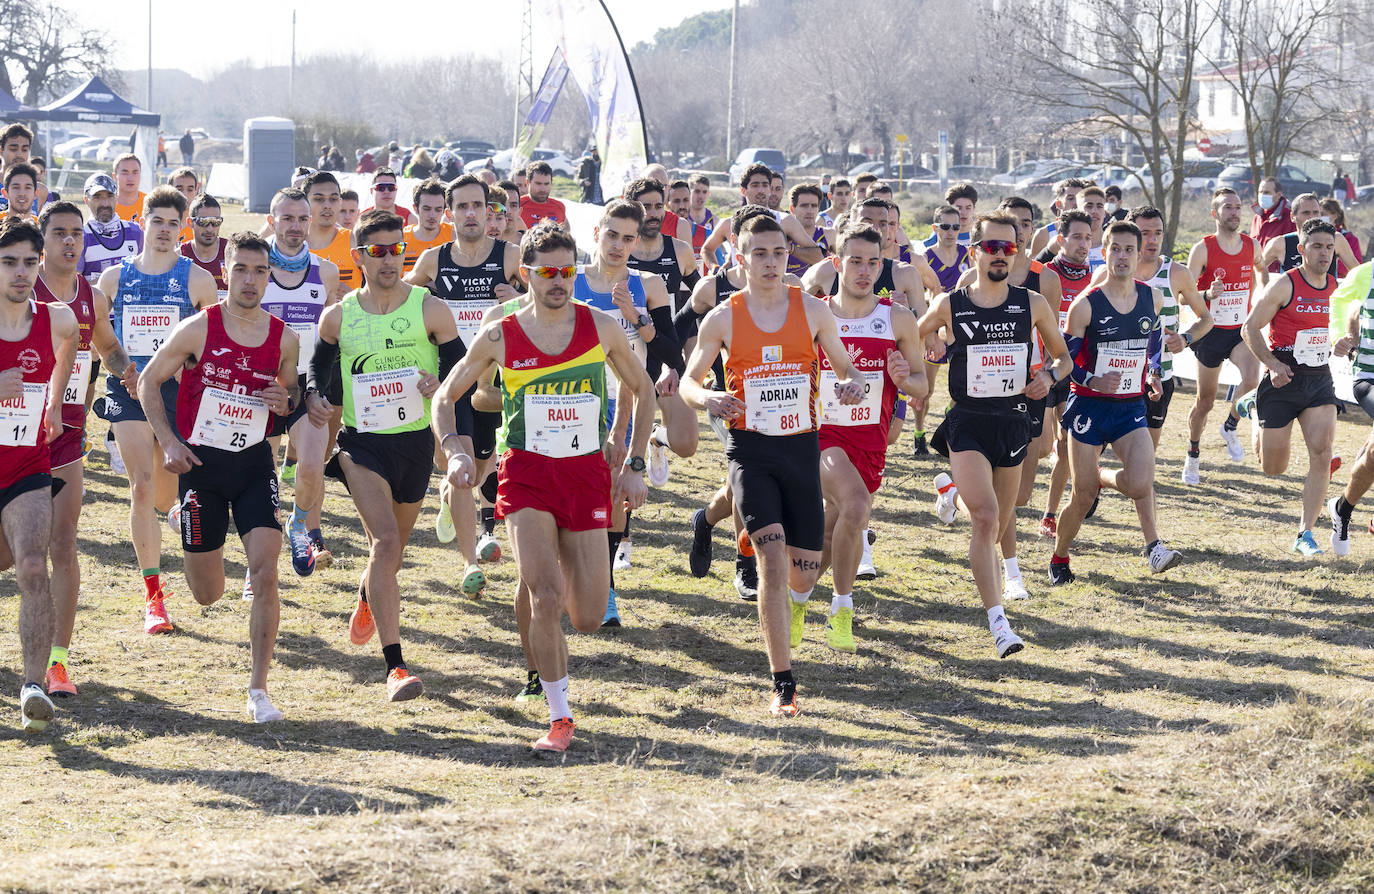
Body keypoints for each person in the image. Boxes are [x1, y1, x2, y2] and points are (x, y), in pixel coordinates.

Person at [431, 222, 656, 751]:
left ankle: (543, 586)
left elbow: (643, 389)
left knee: (588, 616)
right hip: (527, 473)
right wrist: (456, 450)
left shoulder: (600, 327)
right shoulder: (500, 333)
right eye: (548, 272)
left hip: (585, 474)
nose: (559, 281)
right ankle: (559, 716)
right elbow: (445, 396)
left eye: (567, 271)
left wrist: (634, 462)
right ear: (527, 274)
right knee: (546, 595)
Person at [681, 213, 867, 717]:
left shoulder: (812, 310)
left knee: (802, 576)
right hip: (751, 452)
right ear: (740, 259)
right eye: (759, 254)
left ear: (788, 257)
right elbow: (689, 381)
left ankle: (785, 592)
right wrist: (708, 397)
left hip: (802, 450)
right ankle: (783, 682)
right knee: (771, 559)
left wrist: (850, 384)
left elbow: (846, 368)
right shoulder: (723, 317)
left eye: (778, 253)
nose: (770, 262)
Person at [304, 209, 467, 702]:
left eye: (398, 249)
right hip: (362, 445)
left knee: (391, 554)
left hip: (415, 443)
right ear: (359, 256)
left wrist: (441, 385)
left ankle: (367, 593)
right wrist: (313, 397)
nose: (390, 259)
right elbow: (317, 370)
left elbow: (463, 369)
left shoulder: (430, 309)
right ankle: (396, 666)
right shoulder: (338, 317)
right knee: (386, 541)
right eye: (378, 251)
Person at [136, 231, 298, 721]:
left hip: (253, 465)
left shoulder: (284, 338)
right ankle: (184, 518)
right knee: (208, 594)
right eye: (241, 269)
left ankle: (259, 690)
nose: (250, 280)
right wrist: (169, 442)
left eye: (260, 271)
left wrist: (285, 400)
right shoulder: (198, 328)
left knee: (266, 572)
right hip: (201, 469)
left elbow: (289, 395)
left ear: (270, 276)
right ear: (225, 272)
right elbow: (148, 381)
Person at [919, 211, 1069, 655]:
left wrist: (1049, 378)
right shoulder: (950, 304)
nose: (1001, 254)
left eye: (1009, 246)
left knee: (1001, 520)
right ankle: (999, 622)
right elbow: (913, 336)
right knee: (985, 519)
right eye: (992, 246)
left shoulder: (1032, 303)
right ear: (975, 253)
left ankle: (950, 494)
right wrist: (929, 347)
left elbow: (1063, 358)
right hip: (968, 421)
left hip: (1014, 421)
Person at [93, 187, 219, 635]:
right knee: (141, 487)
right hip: (128, 390)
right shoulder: (113, 279)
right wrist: (125, 371)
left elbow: (212, 343)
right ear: (142, 222)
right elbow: (103, 339)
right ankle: (154, 597)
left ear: (182, 227)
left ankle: (173, 511)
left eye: (172, 223)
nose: (164, 230)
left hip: (175, 397)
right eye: (157, 221)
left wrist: (188, 370)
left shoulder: (197, 280)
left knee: (165, 496)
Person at [1049, 220, 1186, 584]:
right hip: (1089, 409)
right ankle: (1060, 556)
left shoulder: (1152, 297)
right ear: (1104, 252)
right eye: (1115, 249)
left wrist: (1153, 372)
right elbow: (1066, 361)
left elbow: (1152, 338)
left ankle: (1103, 480)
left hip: (1129, 408)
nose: (1122, 257)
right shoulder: (1085, 306)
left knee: (1141, 483)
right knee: (1082, 496)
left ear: (1139, 255)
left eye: (1129, 250)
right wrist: (1093, 379)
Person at [578, 198, 694, 617]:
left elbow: (672, 354)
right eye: (611, 235)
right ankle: (572, 573)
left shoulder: (649, 285)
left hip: (625, 401)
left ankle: (605, 588)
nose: (618, 245)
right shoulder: (570, 280)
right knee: (575, 493)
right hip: (574, 400)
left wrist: (635, 317)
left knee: (613, 494)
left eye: (628, 238)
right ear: (597, 233)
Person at [818, 224, 927, 651]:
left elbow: (921, 385)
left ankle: (794, 597)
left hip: (870, 442)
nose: (864, 271)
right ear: (837, 264)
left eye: (873, 263)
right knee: (857, 507)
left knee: (829, 539)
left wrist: (904, 378)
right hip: (821, 436)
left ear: (882, 266)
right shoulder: (815, 314)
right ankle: (842, 611)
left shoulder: (897, 318)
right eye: (855, 261)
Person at [0, 217, 78, 732]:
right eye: (9, 262)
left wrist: (53, 400)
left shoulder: (56, 318)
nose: (21, 272)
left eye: (30, 262)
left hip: (27, 466)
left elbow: (70, 344)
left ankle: (33, 685)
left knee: (32, 567)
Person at [1239, 218, 1339, 556]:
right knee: (1273, 467)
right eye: (1317, 246)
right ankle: (1254, 406)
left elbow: (1341, 330)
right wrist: (1272, 365)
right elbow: (1249, 328)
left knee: (1322, 453)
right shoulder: (1285, 284)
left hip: (1319, 378)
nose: (1324, 253)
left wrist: (1344, 342)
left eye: (1329, 247)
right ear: (1302, 250)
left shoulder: (1336, 288)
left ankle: (1304, 533)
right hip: (1282, 375)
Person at [260, 188, 341, 579]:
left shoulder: (325, 272)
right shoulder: (255, 266)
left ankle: (301, 524)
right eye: (287, 218)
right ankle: (259, 561)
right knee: (263, 477)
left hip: (307, 383)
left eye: (302, 219)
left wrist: (322, 384)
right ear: (272, 221)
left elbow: (329, 335)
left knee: (311, 464)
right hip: (261, 383)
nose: (295, 226)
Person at [34, 203, 94, 698]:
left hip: (67, 438)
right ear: (43, 240)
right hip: (15, 436)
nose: (70, 241)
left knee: (64, 543)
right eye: (59, 233)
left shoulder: (90, 295)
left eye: (76, 233)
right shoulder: (18, 288)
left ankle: (57, 662)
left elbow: (107, 345)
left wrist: (129, 370)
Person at [1093, 206, 1215, 447]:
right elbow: (1084, 320)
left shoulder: (1177, 273)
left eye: (1158, 233)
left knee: (1145, 457)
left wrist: (1185, 339)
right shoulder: (1106, 272)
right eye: (1145, 233)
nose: (1152, 240)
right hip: (1113, 375)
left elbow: (1206, 319)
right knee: (1096, 450)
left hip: (1158, 378)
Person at [1183, 188, 1267, 484]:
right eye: (1228, 207)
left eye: (1237, 207)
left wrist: (1262, 295)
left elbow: (1262, 269)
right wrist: (1206, 294)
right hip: (1209, 332)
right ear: (1215, 213)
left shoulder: (1251, 245)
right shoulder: (1203, 249)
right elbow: (1182, 294)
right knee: (1205, 401)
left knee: (1252, 378)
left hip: (1239, 331)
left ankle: (1230, 425)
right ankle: (1193, 453)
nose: (1234, 212)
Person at [1328, 256, 1374, 554]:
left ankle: (1342, 509)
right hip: (1370, 377)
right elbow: (1338, 300)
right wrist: (1339, 336)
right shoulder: (1367, 273)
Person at [700, 164, 823, 270]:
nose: (761, 190)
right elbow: (706, 250)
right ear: (743, 190)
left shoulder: (785, 221)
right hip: (740, 288)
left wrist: (790, 249)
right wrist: (717, 271)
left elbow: (818, 256)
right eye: (755, 185)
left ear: (769, 189)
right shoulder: (729, 224)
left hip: (774, 287)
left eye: (765, 185)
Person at [1261, 193, 1358, 275]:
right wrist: (1264, 286)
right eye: (1306, 213)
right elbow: (1256, 271)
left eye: (1316, 212)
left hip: (1329, 292)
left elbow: (1359, 273)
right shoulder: (1280, 243)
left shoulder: (1336, 239)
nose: (1312, 217)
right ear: (1292, 217)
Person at [304, 171, 361, 299]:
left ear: (340, 202)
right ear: (304, 203)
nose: (327, 206)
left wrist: (357, 297)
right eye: (319, 199)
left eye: (333, 199)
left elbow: (378, 289)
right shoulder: (293, 247)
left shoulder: (353, 241)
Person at [402, 179, 454, 275]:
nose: (432, 215)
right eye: (427, 209)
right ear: (415, 208)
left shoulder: (454, 236)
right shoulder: (402, 239)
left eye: (438, 210)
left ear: (444, 211)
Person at [179, 194, 227, 295]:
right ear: (190, 222)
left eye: (215, 222)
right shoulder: (179, 255)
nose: (210, 229)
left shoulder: (231, 252)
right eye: (203, 221)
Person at [922, 182, 977, 248]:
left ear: (974, 208)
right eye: (959, 208)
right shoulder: (940, 234)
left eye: (968, 208)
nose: (963, 212)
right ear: (950, 208)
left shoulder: (982, 233)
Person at [1320, 197, 1362, 277]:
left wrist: (1330, 263)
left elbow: (1357, 267)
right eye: (1317, 214)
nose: (1319, 217)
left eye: (1323, 214)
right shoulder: (1312, 237)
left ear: (1335, 215)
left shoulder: (1350, 238)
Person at [519, 161, 567, 228]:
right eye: (538, 184)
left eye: (546, 184)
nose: (543, 189)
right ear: (527, 182)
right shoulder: (517, 206)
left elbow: (566, 231)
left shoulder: (559, 207)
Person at [1250, 176, 1293, 247]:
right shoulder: (1257, 216)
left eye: (1266, 192)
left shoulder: (1289, 217)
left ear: (1278, 195)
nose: (1262, 195)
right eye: (1260, 192)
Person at [113, 155, 146, 225]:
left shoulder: (151, 203)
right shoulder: (106, 205)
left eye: (135, 173)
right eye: (125, 173)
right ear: (115, 176)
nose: (130, 178)